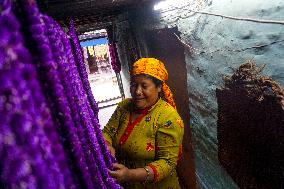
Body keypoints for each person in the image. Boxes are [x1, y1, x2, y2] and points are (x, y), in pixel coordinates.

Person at [102, 58, 184, 189]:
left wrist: (130, 175)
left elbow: (167, 163)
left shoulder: (168, 118)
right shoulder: (124, 107)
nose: (137, 92)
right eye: (134, 85)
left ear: (158, 87)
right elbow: (107, 132)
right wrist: (107, 145)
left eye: (144, 86)